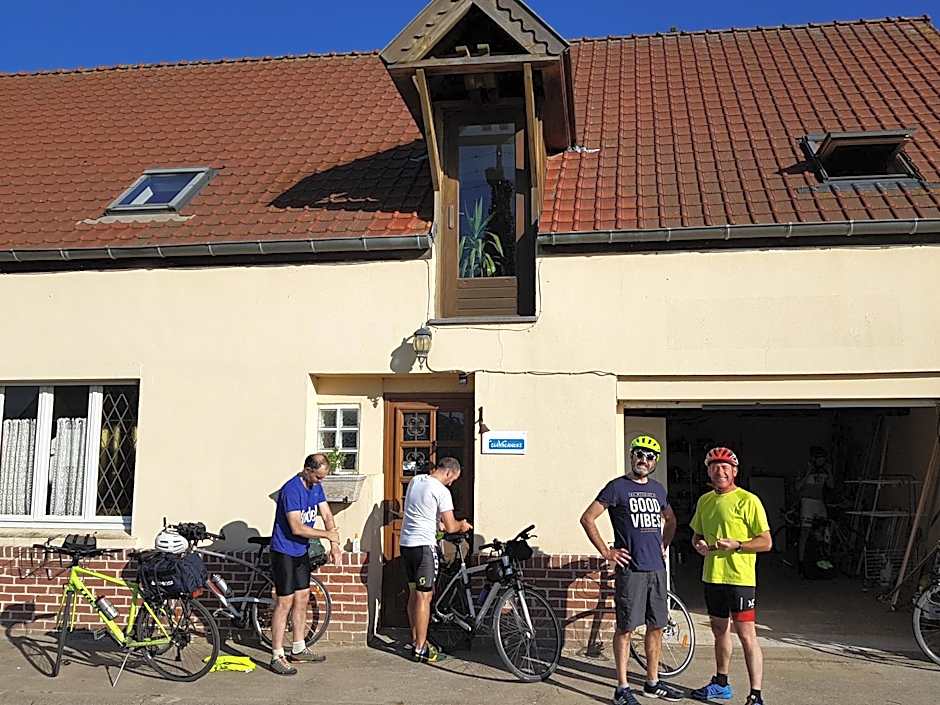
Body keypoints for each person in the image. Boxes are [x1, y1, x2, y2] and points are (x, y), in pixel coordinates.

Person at [580, 435, 682, 704]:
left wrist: (665, 543)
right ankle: (622, 688)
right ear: (631, 456)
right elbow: (588, 517)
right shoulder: (617, 487)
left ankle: (652, 682)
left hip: (657, 569)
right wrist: (606, 551)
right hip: (632, 570)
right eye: (639, 454)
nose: (643, 460)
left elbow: (670, 519)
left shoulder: (659, 489)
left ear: (655, 462)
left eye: (649, 456)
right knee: (625, 628)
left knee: (656, 626)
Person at [690, 447, 772, 705]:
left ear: (734, 471)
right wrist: (699, 545)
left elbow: (766, 542)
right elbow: (697, 535)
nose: (720, 471)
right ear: (708, 471)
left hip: (740, 579)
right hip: (713, 576)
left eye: (725, 466)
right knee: (719, 631)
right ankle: (721, 683)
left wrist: (738, 545)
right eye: (714, 466)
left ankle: (756, 694)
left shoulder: (749, 500)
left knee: (747, 635)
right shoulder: (704, 501)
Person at [268, 453, 342, 676]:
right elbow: (297, 528)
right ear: (308, 470)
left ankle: (298, 646)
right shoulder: (291, 489)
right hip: (284, 551)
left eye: (323, 477)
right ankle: (276, 654)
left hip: (301, 551)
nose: (321, 481)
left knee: (303, 596)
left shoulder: (316, 487)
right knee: (285, 601)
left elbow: (327, 515)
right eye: (318, 477)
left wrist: (335, 545)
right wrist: (327, 535)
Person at [400, 456, 472, 664]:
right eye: (453, 479)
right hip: (424, 548)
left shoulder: (416, 481)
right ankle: (421, 648)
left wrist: (436, 524)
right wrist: (462, 525)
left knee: (414, 595)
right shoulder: (442, 491)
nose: (451, 483)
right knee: (425, 598)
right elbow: (451, 527)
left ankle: (416, 640)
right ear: (449, 472)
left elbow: (423, 514)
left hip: (406, 545)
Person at [796, 446, 834, 566]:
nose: (821, 461)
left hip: (819, 502)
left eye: (823, 459)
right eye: (819, 459)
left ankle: (822, 557)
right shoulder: (805, 469)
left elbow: (831, 485)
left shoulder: (823, 471)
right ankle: (801, 561)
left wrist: (829, 472)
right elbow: (797, 487)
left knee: (823, 529)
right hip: (807, 502)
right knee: (805, 531)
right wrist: (808, 473)